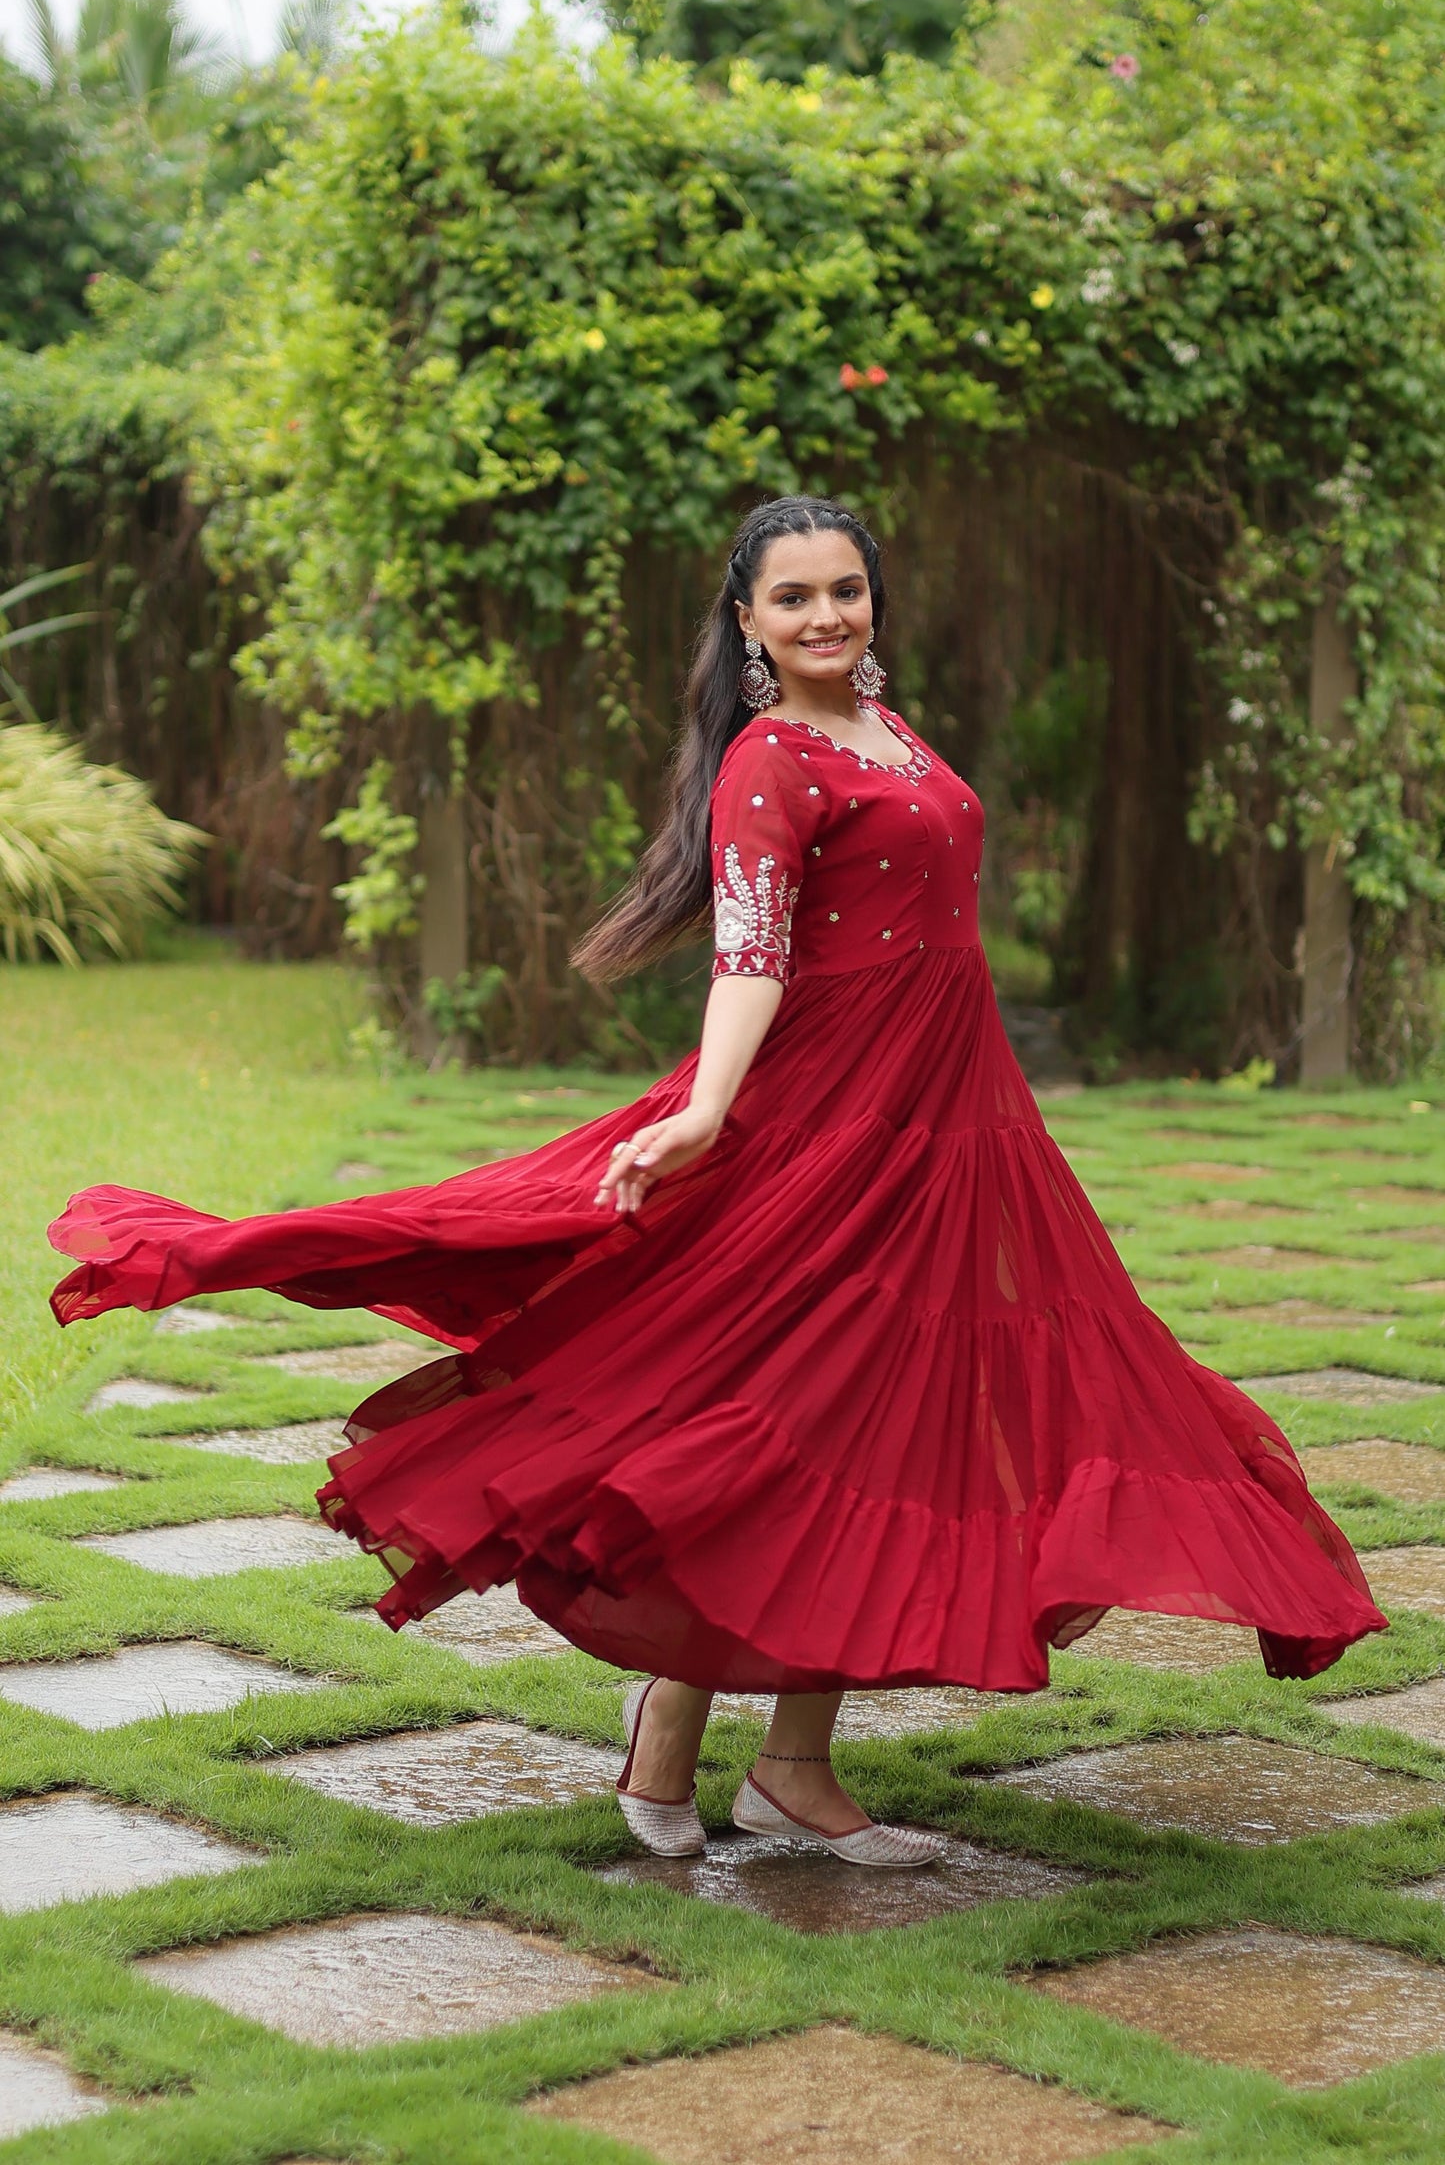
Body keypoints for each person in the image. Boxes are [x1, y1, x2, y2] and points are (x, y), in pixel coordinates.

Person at [49, 495, 1387, 1871]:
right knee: (780, 1410)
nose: (826, 616)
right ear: (745, 622)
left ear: (875, 599)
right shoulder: (770, 759)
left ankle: (769, 1768)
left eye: (846, 590)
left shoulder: (886, 728)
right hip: (829, 1123)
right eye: (794, 597)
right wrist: (704, 1112)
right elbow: (751, 952)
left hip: (949, 1127)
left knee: (892, 1422)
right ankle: (722, 1756)